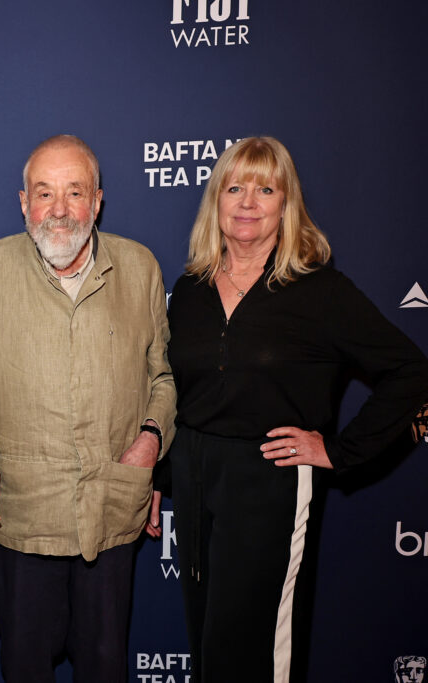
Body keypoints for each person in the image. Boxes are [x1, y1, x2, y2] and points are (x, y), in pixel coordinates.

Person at [164, 136, 428, 683]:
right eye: (235, 187)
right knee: (208, 647)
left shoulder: (318, 290)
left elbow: (410, 370)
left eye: (265, 189)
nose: (247, 201)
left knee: (259, 654)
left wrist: (338, 449)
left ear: (287, 205)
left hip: (270, 481)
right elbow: (173, 390)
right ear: (215, 199)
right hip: (192, 477)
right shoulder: (189, 288)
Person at [0, 134, 176, 682]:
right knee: (24, 666)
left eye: (74, 193)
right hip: (23, 514)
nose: (59, 210)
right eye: (44, 193)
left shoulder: (140, 267)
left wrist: (150, 440)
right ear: (23, 202)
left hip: (111, 507)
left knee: (105, 666)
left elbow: (163, 378)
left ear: (97, 201)